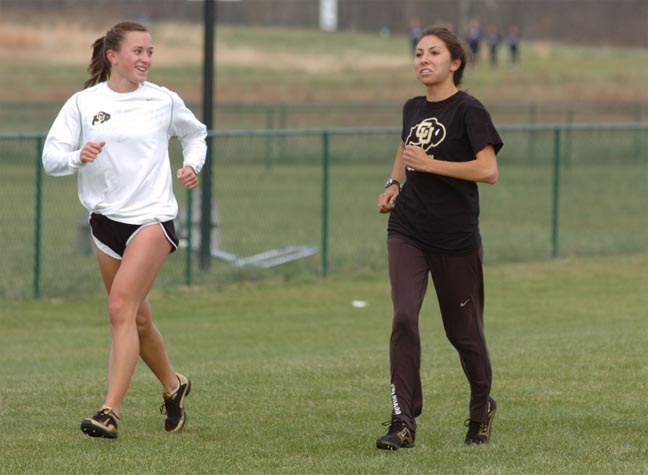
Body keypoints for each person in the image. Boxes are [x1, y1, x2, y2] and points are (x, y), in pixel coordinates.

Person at [42, 21, 207, 439]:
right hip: (105, 224)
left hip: (152, 218)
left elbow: (196, 135)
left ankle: (109, 412)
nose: (146, 59)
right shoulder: (83, 103)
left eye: (150, 52)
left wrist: (192, 165)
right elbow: (51, 158)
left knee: (119, 309)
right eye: (138, 51)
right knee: (137, 319)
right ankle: (174, 385)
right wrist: (78, 157)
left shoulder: (164, 101)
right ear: (113, 56)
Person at [375, 26, 502, 450]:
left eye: (433, 53)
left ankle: (481, 408)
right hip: (408, 228)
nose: (423, 60)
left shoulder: (470, 110)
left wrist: (430, 165)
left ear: (455, 63)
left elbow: (488, 171)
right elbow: (405, 147)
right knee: (404, 318)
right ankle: (403, 420)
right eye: (417, 53)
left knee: (463, 334)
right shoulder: (412, 107)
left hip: (455, 238)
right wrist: (394, 183)